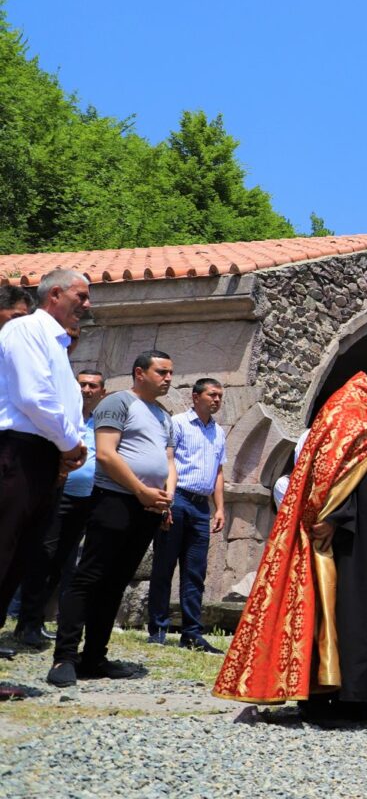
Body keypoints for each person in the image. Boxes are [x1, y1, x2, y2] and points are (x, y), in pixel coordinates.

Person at [215, 342, 367, 720]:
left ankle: (365, 697)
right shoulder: (348, 404)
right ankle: (327, 697)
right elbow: (328, 466)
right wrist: (331, 514)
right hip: (349, 532)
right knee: (345, 611)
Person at [48, 350, 176, 687]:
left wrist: (165, 498)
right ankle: (65, 657)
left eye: (170, 373)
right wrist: (139, 489)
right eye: (161, 372)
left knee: (116, 581)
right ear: (139, 373)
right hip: (115, 500)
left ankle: (94, 657)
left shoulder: (163, 415)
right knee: (89, 576)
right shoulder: (118, 403)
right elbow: (105, 453)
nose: (168, 379)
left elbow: (167, 460)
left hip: (148, 506)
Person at [0, 270, 91, 640]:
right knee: (3, 552)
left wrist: (65, 450)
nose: (86, 306)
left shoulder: (54, 343)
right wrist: (70, 444)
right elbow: (34, 398)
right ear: (55, 293)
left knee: (17, 560)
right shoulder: (26, 331)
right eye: (81, 297)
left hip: (42, 457)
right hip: (20, 454)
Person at [13, 369, 106, 651]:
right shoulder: (62, 418)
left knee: (62, 562)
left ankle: (38, 619)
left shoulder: (100, 425)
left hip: (86, 499)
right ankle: (25, 621)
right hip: (57, 493)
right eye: (83, 384)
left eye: (93, 386)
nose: (87, 390)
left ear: (102, 392)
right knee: (43, 558)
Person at [147, 377, 228, 653]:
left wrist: (220, 508)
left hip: (200, 506)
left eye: (220, 395)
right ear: (196, 397)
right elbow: (166, 462)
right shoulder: (179, 423)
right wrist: (166, 502)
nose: (217, 400)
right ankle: (157, 628)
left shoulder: (218, 432)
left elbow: (218, 471)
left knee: (195, 572)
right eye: (212, 395)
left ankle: (192, 633)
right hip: (178, 498)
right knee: (165, 565)